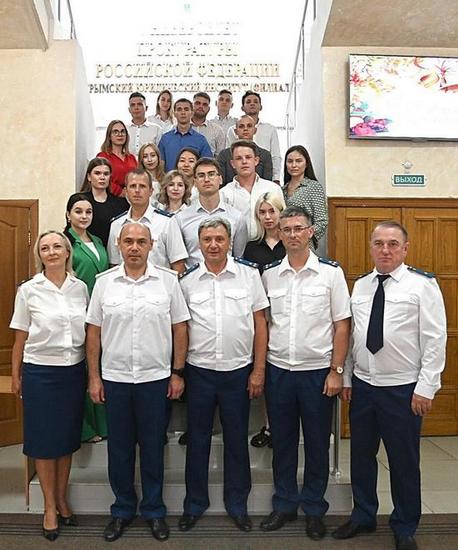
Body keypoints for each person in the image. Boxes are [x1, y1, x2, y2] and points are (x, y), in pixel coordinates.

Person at [332, 221, 447, 550]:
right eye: (379, 243)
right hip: (364, 387)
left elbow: (435, 339)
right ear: (370, 247)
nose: (385, 250)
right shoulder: (361, 285)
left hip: (402, 389)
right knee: (361, 456)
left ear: (405, 248)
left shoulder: (422, 285)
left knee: (403, 461)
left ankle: (405, 524)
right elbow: (355, 336)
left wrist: (426, 387)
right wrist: (347, 376)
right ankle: (363, 515)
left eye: (393, 244)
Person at [86, 222, 190, 542]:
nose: (134, 247)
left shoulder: (168, 282)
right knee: (119, 450)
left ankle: (154, 511)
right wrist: (94, 377)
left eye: (141, 242)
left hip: (154, 379)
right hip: (115, 379)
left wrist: (177, 372)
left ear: (151, 245)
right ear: (118, 244)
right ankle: (122, 510)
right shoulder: (104, 283)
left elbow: (180, 328)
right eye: (128, 241)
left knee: (153, 448)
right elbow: (94, 332)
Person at [260, 206, 351, 541]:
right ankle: (284, 504)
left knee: (316, 444)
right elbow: (264, 324)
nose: (293, 234)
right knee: (282, 443)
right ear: (279, 234)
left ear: (311, 232)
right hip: (279, 371)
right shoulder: (269, 274)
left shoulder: (330, 274)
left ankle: (314, 508)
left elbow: (342, 325)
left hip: (317, 373)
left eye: (299, 228)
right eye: (287, 229)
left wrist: (337, 371)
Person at [178, 218, 269, 533]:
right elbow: (180, 328)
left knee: (236, 440)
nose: (213, 245)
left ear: (230, 241)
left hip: (238, 371)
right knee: (197, 441)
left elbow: (260, 324)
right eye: (207, 239)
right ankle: (194, 504)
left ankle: (237, 505)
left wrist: (259, 370)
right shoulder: (187, 281)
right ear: (199, 243)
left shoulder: (249, 275)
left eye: (219, 238)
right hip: (199, 371)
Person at [10, 231, 88, 541]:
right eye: (45, 248)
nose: (52, 252)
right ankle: (49, 508)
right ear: (39, 255)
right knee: (44, 442)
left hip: (73, 372)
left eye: (57, 246)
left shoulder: (80, 288)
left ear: (68, 252)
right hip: (40, 373)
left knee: (66, 440)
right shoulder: (29, 290)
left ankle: (62, 498)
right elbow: (20, 338)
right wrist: (16, 376)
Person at [64, 193, 109, 444]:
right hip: (78, 311)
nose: (84, 216)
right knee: (83, 368)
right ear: (68, 214)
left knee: (97, 366)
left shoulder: (98, 240)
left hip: (101, 311)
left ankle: (103, 424)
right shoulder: (65, 242)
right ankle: (86, 428)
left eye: (88, 212)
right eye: (78, 211)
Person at [243, 192, 286, 449]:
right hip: (258, 316)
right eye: (262, 212)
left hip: (285, 315)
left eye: (272, 211)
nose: (268, 217)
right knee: (264, 373)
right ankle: (269, 426)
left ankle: (283, 427)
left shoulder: (291, 242)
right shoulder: (252, 247)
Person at [171, 157, 248, 267]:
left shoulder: (237, 217)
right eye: (201, 175)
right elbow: (178, 261)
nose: (206, 179)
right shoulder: (181, 219)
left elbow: (239, 258)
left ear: (220, 179)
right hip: (194, 276)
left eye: (211, 174)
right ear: (195, 182)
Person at [107, 168, 188, 273]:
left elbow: (178, 265)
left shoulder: (167, 222)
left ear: (151, 191)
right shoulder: (116, 224)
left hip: (159, 282)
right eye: (133, 186)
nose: (137, 190)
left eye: (142, 186)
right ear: (126, 191)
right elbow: (114, 265)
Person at [220, 140, 283, 239]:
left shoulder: (273, 189)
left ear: (256, 160)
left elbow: (283, 220)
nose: (244, 161)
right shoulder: (224, 193)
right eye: (239, 158)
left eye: (248, 157)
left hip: (269, 245)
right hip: (237, 246)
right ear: (232, 163)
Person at [226, 91, 281, 182]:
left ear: (261, 107)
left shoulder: (270, 129)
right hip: (237, 175)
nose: (252, 104)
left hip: (264, 171)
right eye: (248, 102)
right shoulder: (233, 129)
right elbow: (229, 155)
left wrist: (276, 178)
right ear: (242, 107)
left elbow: (275, 156)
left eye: (255, 101)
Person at [283, 145, 328, 245]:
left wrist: (305, 235)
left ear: (306, 163)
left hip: (305, 243)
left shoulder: (313, 187)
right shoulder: (281, 190)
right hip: (284, 243)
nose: (294, 165)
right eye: (290, 161)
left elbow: (322, 221)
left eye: (298, 161)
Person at [80, 157, 129, 247]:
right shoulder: (80, 201)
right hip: (87, 250)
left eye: (106, 174)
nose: (102, 177)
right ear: (89, 177)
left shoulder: (121, 204)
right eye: (97, 173)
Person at [217, 115, 273, 186]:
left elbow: (267, 183)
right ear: (235, 131)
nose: (245, 129)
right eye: (241, 126)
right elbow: (220, 183)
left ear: (255, 130)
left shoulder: (265, 155)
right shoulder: (224, 155)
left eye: (249, 126)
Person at [159, 98, 212, 171]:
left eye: (186, 109)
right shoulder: (165, 138)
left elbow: (207, 165)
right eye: (179, 109)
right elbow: (160, 165)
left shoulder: (201, 140)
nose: (183, 112)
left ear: (192, 113)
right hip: (170, 178)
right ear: (174, 113)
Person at [97, 120, 137, 196]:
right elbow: (100, 178)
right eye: (115, 132)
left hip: (132, 196)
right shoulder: (103, 156)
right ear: (109, 136)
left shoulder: (131, 158)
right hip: (110, 196)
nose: (120, 134)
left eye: (123, 131)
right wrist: (119, 192)